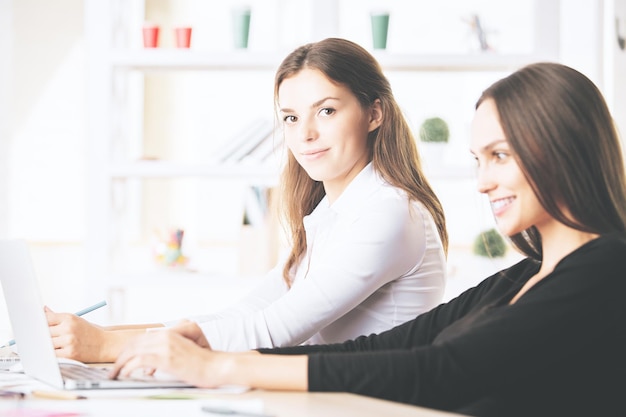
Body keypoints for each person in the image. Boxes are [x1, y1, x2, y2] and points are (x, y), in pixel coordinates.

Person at [109, 62, 626, 417]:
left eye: (500, 156)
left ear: (561, 148)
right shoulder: (522, 277)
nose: (482, 181)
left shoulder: (608, 268)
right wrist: (216, 359)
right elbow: (391, 346)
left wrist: (219, 365)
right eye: (477, 160)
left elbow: (446, 371)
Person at [47, 38, 448, 363]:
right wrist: (102, 336)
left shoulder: (390, 212)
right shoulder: (334, 214)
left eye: (325, 111)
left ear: (374, 113)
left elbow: (273, 331)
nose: (304, 134)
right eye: (290, 117)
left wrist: (103, 348)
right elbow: (244, 313)